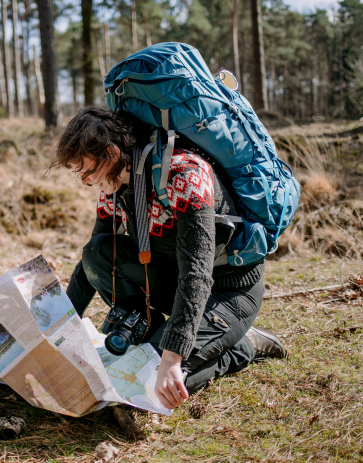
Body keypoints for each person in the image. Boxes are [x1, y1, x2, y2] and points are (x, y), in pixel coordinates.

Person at [51, 107, 288, 410]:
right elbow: (90, 263)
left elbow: (198, 273)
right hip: (175, 282)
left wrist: (171, 357)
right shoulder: (113, 187)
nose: (84, 181)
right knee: (98, 251)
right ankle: (152, 335)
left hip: (227, 290)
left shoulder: (184, 175)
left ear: (110, 154)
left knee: (147, 384)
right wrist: (59, 328)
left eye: (85, 170)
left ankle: (242, 345)